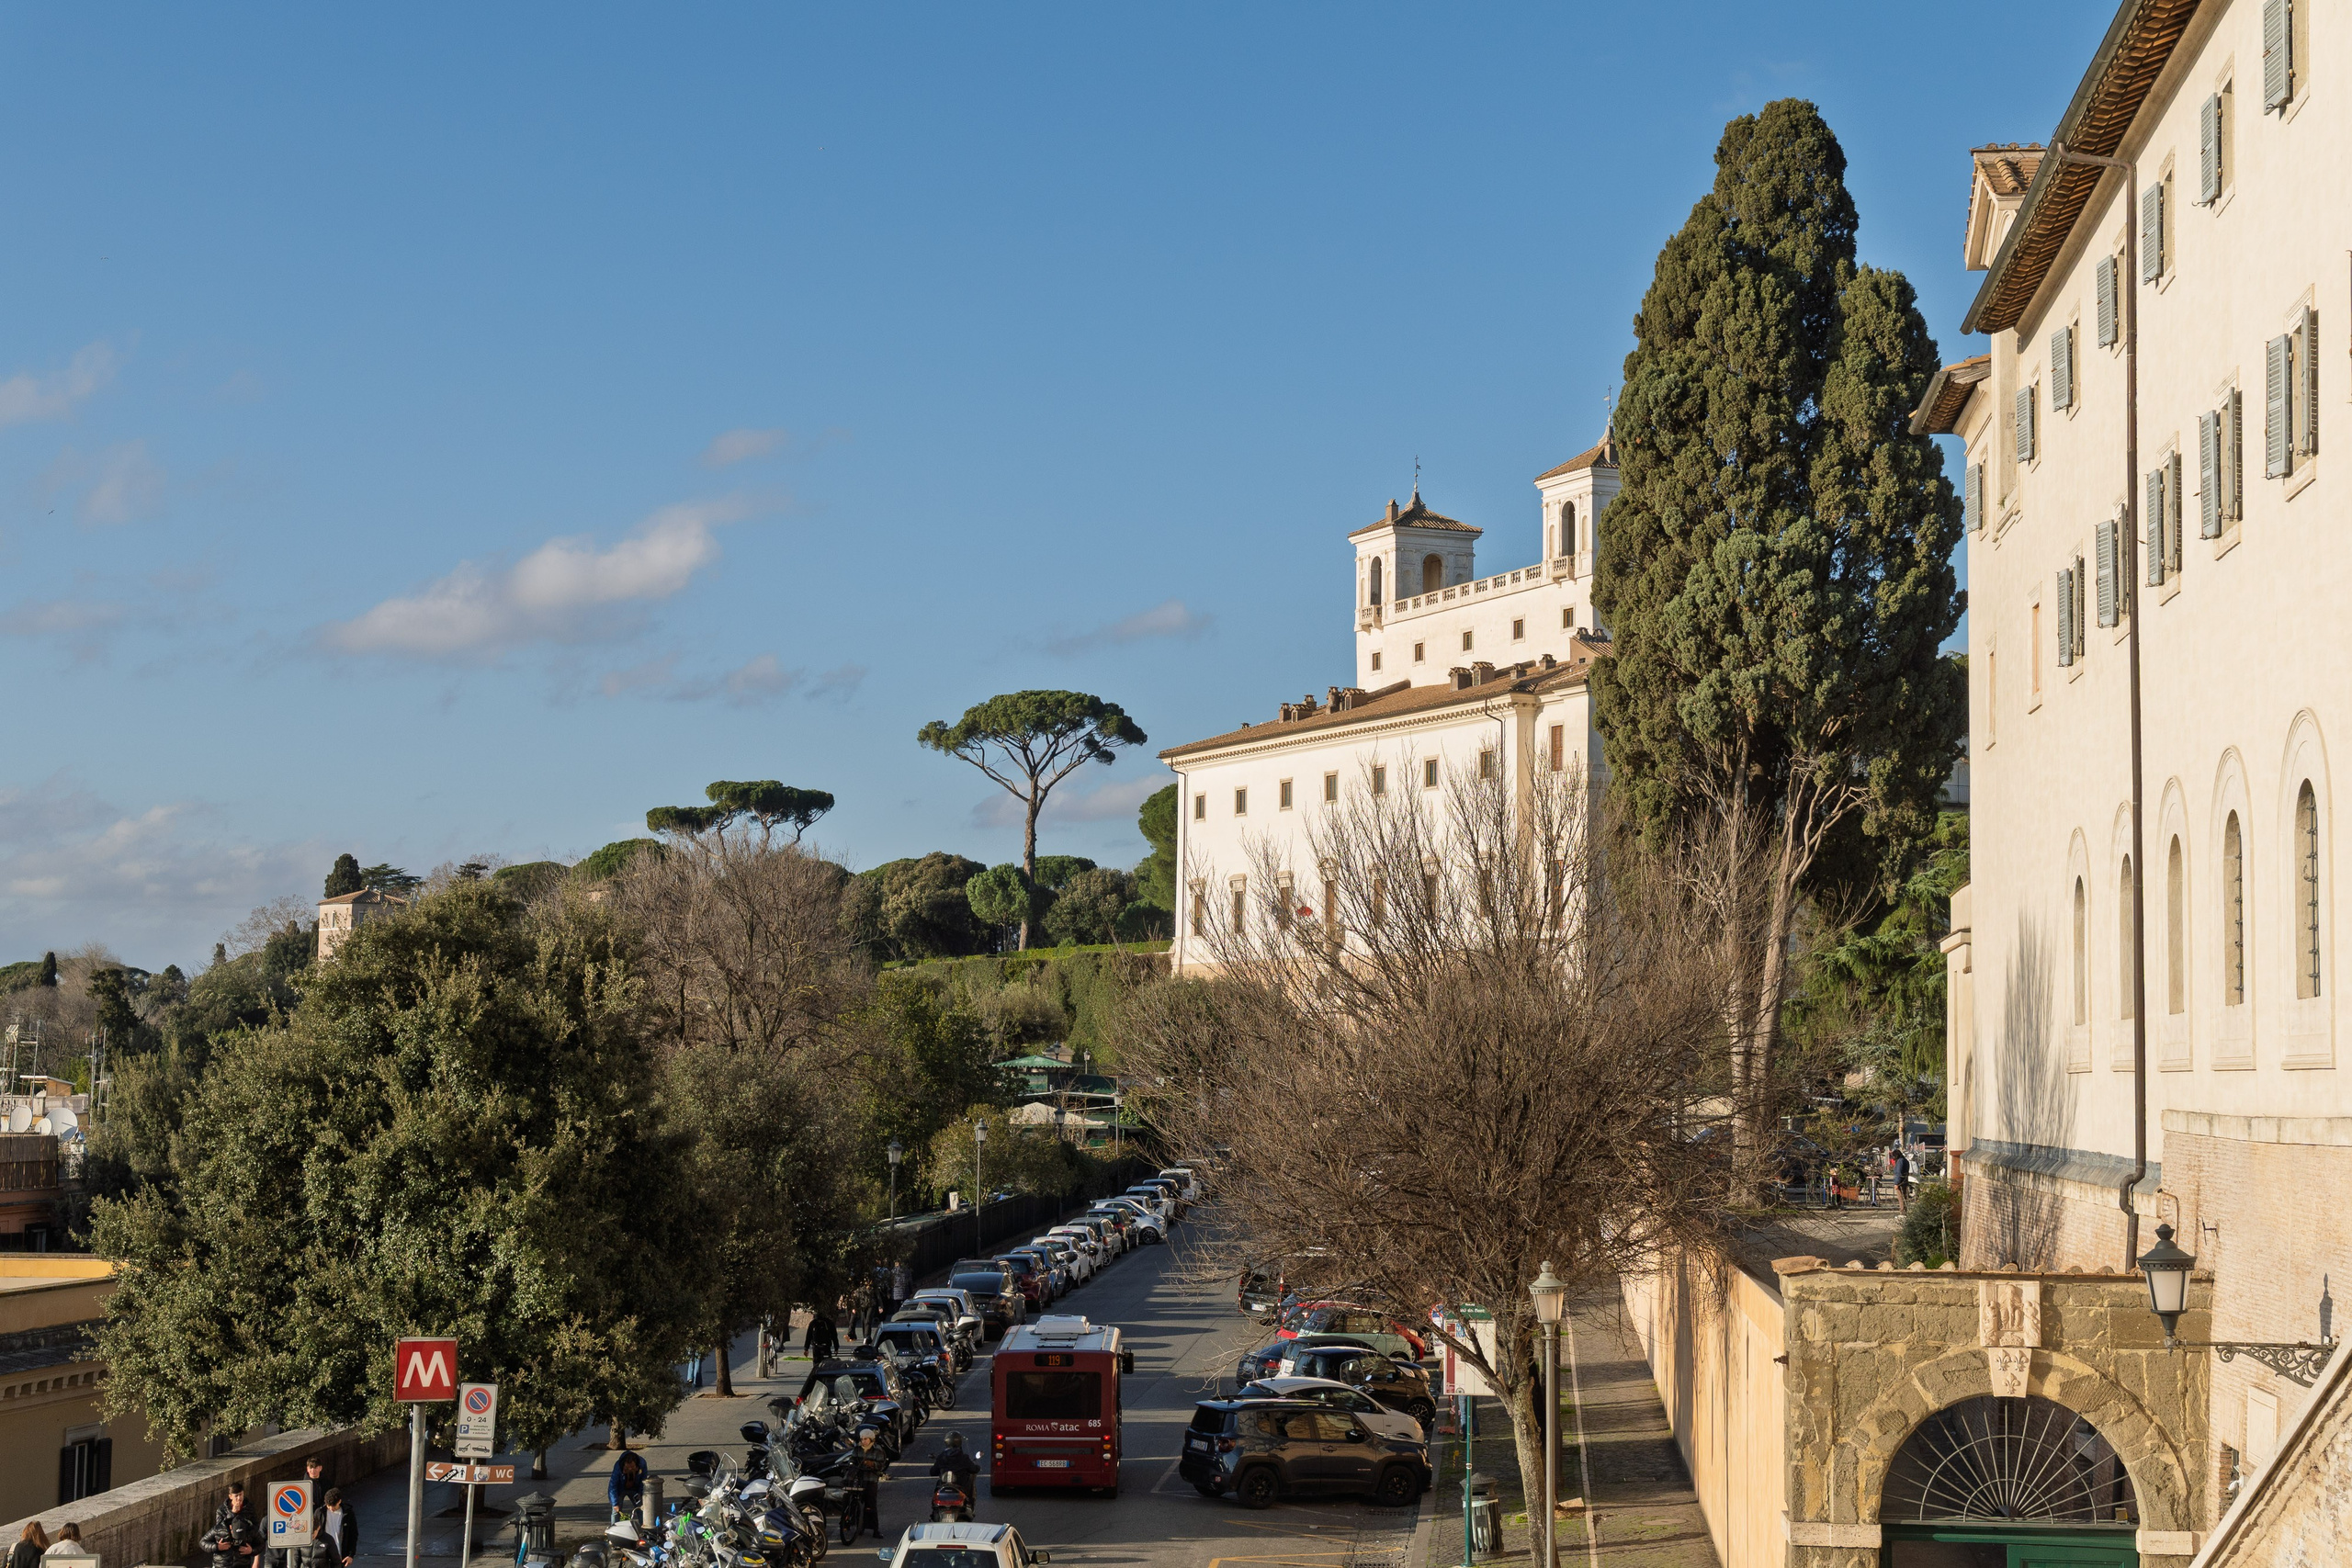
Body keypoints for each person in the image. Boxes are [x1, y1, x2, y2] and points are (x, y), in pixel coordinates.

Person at [851, 1427, 888, 1540]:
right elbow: (852, 1459)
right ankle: (859, 1526)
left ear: (871, 1439)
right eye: (862, 1439)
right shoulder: (857, 1449)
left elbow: (881, 1465)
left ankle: (875, 1530)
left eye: (865, 1439)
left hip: (871, 1480)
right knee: (856, 1503)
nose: (863, 1441)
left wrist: (871, 1464)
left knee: (871, 1505)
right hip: (859, 1479)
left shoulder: (878, 1450)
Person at [929, 1430, 978, 1501]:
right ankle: (970, 1501)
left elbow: (933, 1472)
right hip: (961, 1486)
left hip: (944, 1486)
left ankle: (934, 1503)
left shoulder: (942, 1456)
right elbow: (973, 1469)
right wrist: (977, 1467)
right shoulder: (963, 1457)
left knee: (938, 1484)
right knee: (970, 1481)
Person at [314, 1490, 356, 1568]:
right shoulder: (320, 1512)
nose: (331, 1508)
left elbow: (353, 1535)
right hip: (323, 1555)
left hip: (339, 1556)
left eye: (334, 1506)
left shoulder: (348, 1513)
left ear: (339, 1501)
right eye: (328, 1505)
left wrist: (351, 1555)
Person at [608, 1450, 647, 1524]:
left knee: (641, 1508)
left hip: (635, 1489)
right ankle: (614, 1528)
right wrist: (615, 1503)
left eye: (632, 1467)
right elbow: (613, 1485)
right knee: (616, 1512)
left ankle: (644, 1527)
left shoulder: (642, 1464)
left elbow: (643, 1480)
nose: (630, 1469)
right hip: (621, 1488)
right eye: (627, 1468)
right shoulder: (618, 1467)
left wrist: (640, 1492)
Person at [1892, 1145, 1914, 1213]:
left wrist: (1896, 1183)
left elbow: (1899, 1173)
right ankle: (1905, 1210)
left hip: (1900, 1182)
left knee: (1901, 1197)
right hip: (1905, 1181)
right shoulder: (1905, 1160)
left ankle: (1902, 1211)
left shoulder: (1900, 1161)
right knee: (1905, 1196)